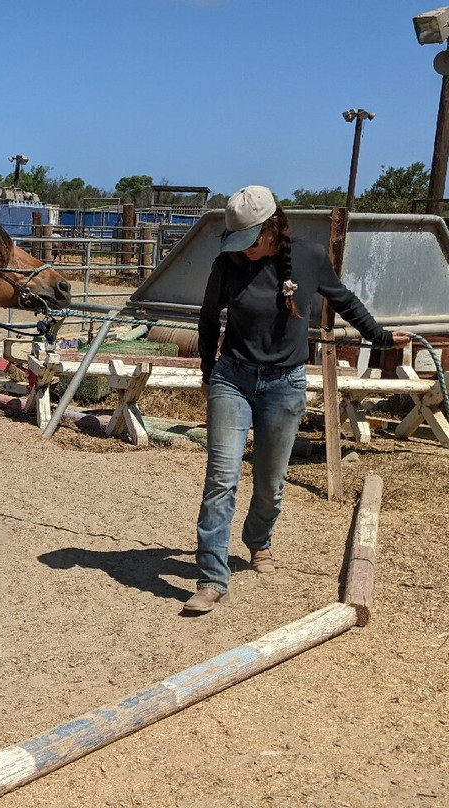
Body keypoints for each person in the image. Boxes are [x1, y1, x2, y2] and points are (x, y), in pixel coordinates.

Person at [184, 185, 412, 614]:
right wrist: (208, 372)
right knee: (221, 478)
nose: (245, 250)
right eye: (237, 241)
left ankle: (258, 542)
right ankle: (212, 577)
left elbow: (343, 300)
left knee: (270, 483)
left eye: (250, 240)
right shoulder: (227, 264)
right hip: (232, 379)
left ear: (273, 228)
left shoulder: (308, 258)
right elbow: (209, 317)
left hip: (284, 385)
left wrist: (380, 336)